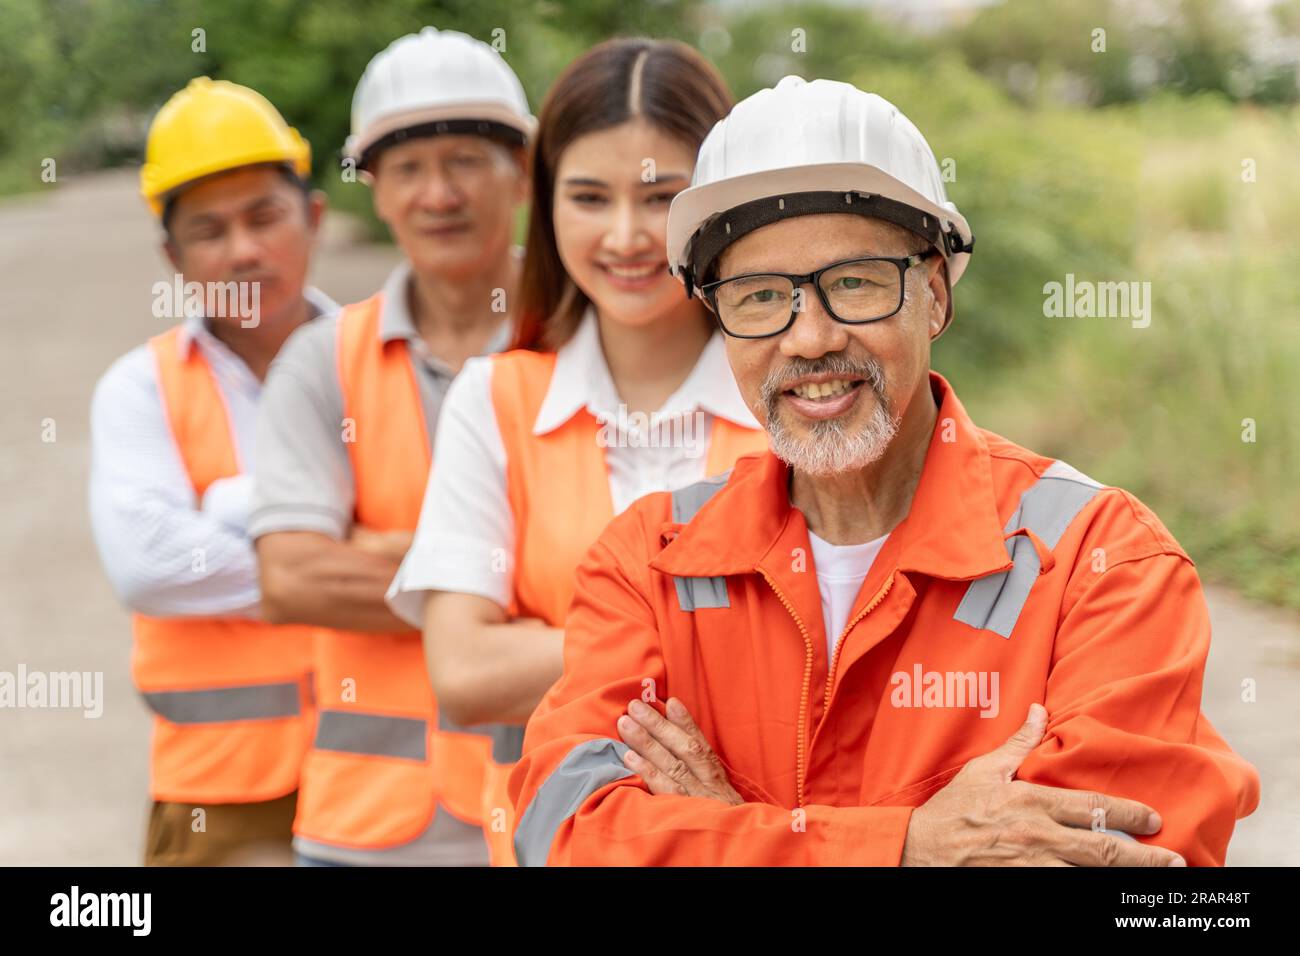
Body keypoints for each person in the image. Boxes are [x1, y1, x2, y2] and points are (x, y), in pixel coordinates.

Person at [508, 76, 1261, 866]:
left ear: (933, 294)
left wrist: (726, 829)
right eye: (761, 296)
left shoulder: (1103, 565)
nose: (810, 339)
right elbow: (561, 835)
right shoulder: (647, 564)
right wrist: (905, 847)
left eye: (854, 283)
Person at [385, 39, 768, 866]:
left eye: (660, 196)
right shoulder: (493, 401)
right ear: (546, 202)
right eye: (589, 197)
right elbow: (462, 671)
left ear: (719, 206)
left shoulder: (791, 398)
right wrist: (719, 640)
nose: (626, 235)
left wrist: (553, 643)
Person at [249, 27, 532, 866]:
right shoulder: (323, 358)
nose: (438, 193)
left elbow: (642, 580)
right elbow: (289, 577)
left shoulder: (588, 343)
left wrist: (382, 555)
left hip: (556, 811)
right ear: (373, 188)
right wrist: (515, 578)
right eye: (408, 168)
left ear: (522, 172)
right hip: (363, 831)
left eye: (467, 160)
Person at [89, 77, 333, 865]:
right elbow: (150, 567)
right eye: (209, 230)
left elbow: (450, 541)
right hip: (220, 802)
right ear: (173, 255)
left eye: (264, 215)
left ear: (315, 217)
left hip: (394, 776)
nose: (243, 249)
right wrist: (336, 540)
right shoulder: (140, 388)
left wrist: (228, 510)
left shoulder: (387, 359)